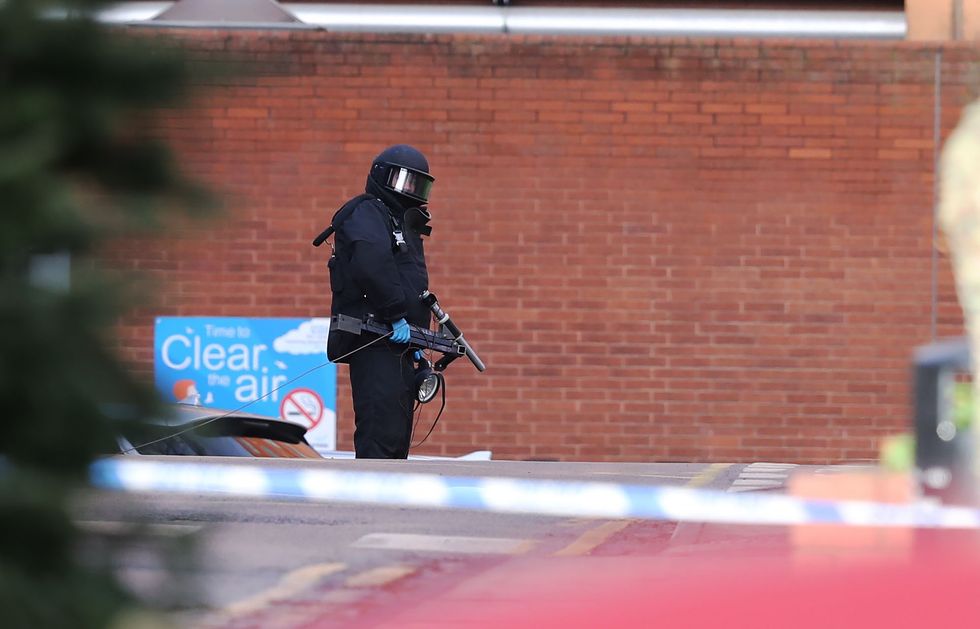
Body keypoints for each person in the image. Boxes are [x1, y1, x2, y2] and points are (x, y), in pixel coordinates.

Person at [325, 145, 435, 458]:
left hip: (398, 346)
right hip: (374, 341)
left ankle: (392, 503)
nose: (411, 191)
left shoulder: (398, 220)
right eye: (404, 181)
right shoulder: (366, 212)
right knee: (379, 433)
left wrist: (416, 336)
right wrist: (396, 314)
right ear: (382, 176)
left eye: (418, 184)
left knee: (396, 435)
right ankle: (371, 502)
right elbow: (370, 262)